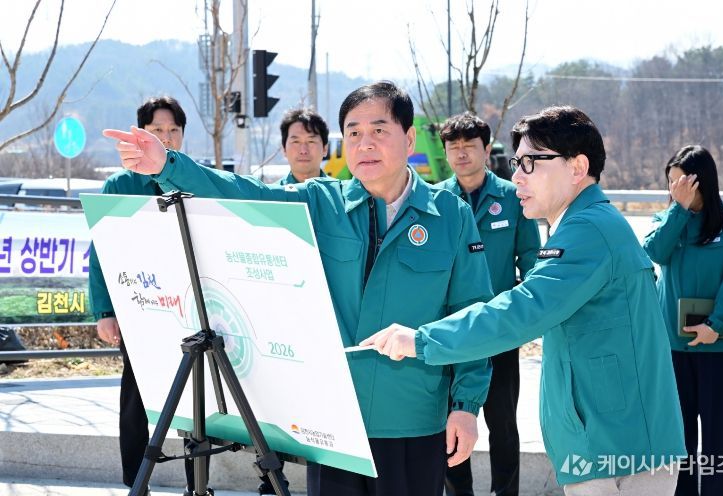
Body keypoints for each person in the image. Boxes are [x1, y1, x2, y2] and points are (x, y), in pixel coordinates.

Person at [103, 81, 493, 496]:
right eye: (354, 133)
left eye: (379, 130)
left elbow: (471, 314)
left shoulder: (449, 215)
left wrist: (466, 406)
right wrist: (167, 165)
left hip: (412, 420)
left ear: (409, 138)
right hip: (336, 426)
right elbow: (245, 194)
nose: (365, 143)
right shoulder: (323, 202)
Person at [363, 105, 688, 496]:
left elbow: (522, 309)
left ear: (577, 167)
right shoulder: (586, 224)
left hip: (617, 447)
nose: (517, 175)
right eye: (517, 163)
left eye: (531, 163)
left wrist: (421, 340)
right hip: (610, 440)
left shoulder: (588, 230)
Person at [89, 96, 214, 496]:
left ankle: (198, 482)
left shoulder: (196, 180)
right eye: (157, 130)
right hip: (137, 307)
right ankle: (135, 481)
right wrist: (105, 311)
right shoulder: (120, 186)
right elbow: (100, 253)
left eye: (174, 130)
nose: (166, 137)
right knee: (135, 393)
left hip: (190, 307)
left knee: (197, 398)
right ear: (140, 134)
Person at [436, 112, 540, 496]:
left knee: (503, 424)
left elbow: (532, 261)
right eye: (454, 147)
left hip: (499, 331)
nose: (462, 154)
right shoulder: (436, 200)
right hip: (451, 332)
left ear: (486, 149)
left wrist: (524, 317)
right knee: (452, 422)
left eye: (470, 146)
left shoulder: (512, 197)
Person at [642, 145, 723, 496]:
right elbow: (654, 253)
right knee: (679, 440)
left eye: (681, 182)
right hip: (673, 349)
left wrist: (717, 325)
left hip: (719, 346)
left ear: (701, 181)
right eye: (670, 182)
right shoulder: (666, 221)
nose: (674, 189)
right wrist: (679, 210)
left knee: (720, 438)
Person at [278, 108, 329, 185]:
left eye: (311, 141)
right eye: (296, 142)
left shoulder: (339, 191)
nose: (303, 151)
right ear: (284, 149)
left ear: (325, 148)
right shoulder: (271, 192)